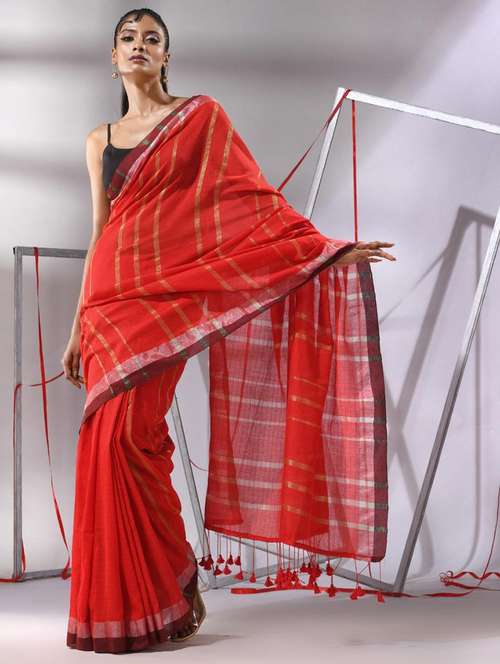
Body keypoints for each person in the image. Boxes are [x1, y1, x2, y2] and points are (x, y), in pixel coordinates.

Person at [61, 7, 395, 654]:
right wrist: (77, 326)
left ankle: (168, 579)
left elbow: (251, 202)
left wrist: (321, 251)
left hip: (165, 301)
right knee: (110, 446)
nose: (138, 45)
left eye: (151, 39)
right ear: (113, 56)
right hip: (107, 304)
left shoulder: (200, 118)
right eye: (128, 38)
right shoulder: (99, 140)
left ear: (166, 56)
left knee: (130, 437)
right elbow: (100, 231)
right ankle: (145, 598)